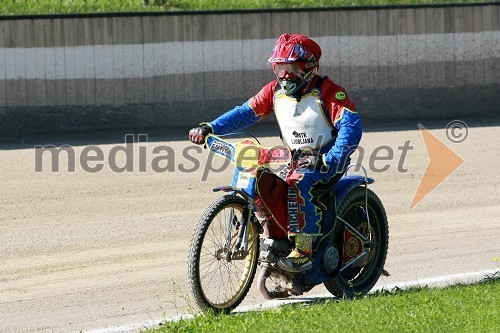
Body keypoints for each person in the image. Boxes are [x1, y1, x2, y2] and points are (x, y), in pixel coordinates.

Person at [189, 33, 362, 273]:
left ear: (308, 68)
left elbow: (351, 127)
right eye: (280, 68)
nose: (285, 75)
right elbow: (245, 112)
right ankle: (271, 234)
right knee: (264, 179)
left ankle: (304, 251)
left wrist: (329, 159)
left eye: (291, 68)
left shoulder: (330, 92)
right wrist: (211, 127)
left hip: (326, 160)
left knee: (299, 182)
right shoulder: (274, 91)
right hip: (295, 159)